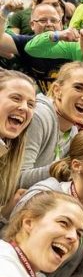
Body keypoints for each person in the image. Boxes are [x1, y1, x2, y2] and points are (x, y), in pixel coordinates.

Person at [19, 62, 83, 188]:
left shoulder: (72, 130)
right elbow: (17, 179)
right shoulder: (39, 116)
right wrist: (68, 165)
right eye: (78, 88)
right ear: (57, 90)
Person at [0, 70, 36, 216]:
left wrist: (5, 213)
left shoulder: (8, 149)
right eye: (16, 98)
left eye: (31, 104)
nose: (24, 107)